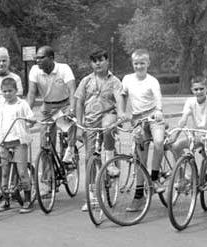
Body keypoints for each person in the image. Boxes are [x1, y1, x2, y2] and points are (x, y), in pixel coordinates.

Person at [117, 49, 167, 212]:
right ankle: (139, 196)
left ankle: (154, 178)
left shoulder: (152, 81)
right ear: (133, 64)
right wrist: (122, 113)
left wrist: (159, 110)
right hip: (138, 119)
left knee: (159, 142)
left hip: (153, 115)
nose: (139, 66)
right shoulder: (127, 79)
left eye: (142, 63)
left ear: (148, 64)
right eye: (136, 63)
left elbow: (158, 97)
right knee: (140, 158)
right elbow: (122, 96)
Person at [74, 49, 123, 212]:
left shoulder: (115, 81)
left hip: (108, 114)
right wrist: (80, 125)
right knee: (90, 158)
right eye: (95, 61)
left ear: (107, 61)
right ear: (91, 64)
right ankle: (93, 195)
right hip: (90, 121)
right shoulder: (86, 81)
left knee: (108, 126)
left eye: (101, 60)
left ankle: (110, 161)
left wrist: (121, 115)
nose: (98, 63)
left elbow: (119, 98)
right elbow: (79, 102)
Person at [0, 78, 35, 214]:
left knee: (21, 171)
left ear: (16, 91)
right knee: (5, 172)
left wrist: (31, 121)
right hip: (4, 142)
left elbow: (30, 119)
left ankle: (27, 199)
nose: (7, 94)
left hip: (19, 141)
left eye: (10, 91)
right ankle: (6, 200)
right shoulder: (0, 106)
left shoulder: (22, 104)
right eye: (5, 91)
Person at [170, 76, 207, 222]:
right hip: (197, 135)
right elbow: (184, 118)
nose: (199, 92)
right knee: (176, 146)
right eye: (196, 89)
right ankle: (186, 176)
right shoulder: (190, 101)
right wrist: (176, 134)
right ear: (192, 90)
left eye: (201, 89)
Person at [26, 45, 77, 164]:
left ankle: (69, 152)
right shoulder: (34, 70)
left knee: (68, 128)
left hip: (64, 104)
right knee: (46, 143)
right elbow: (31, 93)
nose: (37, 61)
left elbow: (72, 90)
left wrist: (72, 108)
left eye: (41, 58)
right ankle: (48, 177)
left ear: (51, 58)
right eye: (36, 58)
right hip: (47, 107)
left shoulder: (64, 69)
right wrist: (27, 113)